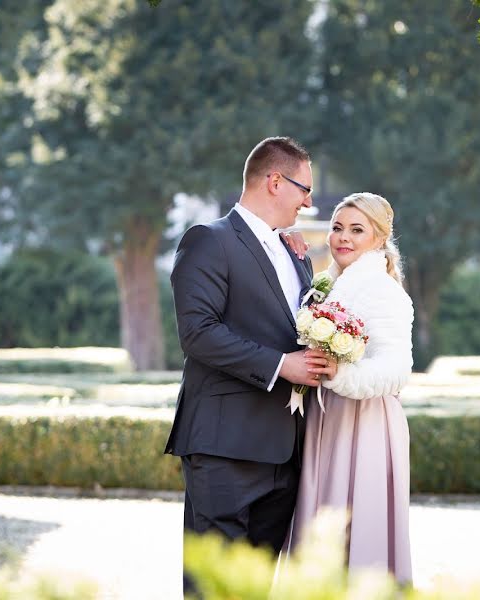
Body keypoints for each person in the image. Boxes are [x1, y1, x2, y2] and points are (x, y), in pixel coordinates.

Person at [164, 137, 320, 590]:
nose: (309, 201)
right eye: (303, 188)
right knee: (216, 588)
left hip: (285, 451)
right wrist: (281, 366)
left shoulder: (294, 253)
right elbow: (198, 333)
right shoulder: (208, 241)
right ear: (275, 181)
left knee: (256, 589)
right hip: (224, 448)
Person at [289, 192, 414, 583]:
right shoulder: (333, 285)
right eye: (337, 228)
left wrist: (339, 375)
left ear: (379, 238)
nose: (343, 237)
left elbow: (397, 369)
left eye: (356, 230)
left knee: (358, 532)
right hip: (329, 419)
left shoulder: (385, 292)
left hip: (366, 424)